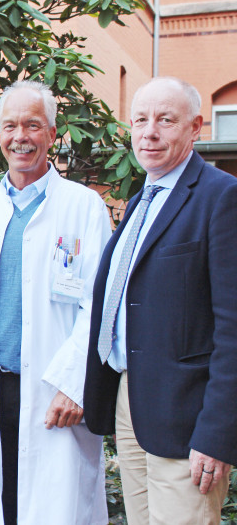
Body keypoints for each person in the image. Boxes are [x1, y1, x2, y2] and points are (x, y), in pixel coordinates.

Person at [0, 80, 111, 524]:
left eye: (33, 125)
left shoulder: (84, 208)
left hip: (56, 391)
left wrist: (75, 383)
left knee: (56, 507)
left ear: (52, 133)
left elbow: (99, 306)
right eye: (10, 126)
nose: (20, 137)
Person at [84, 77, 237, 524]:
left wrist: (218, 434)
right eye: (140, 120)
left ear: (195, 128)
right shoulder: (139, 203)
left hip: (188, 418)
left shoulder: (221, 198)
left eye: (165, 120)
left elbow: (233, 326)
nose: (149, 132)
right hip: (133, 402)